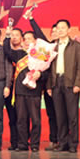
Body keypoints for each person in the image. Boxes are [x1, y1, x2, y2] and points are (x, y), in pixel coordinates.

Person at [47, 19, 80, 153]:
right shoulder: (53, 46)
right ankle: (62, 143)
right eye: (58, 28)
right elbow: (48, 67)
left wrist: (78, 83)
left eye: (63, 27)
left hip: (70, 83)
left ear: (69, 30)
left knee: (72, 116)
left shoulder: (76, 46)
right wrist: (49, 86)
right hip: (56, 82)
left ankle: (73, 144)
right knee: (60, 115)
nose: (60, 30)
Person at [3, 25, 43, 151]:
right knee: (21, 120)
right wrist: (7, 35)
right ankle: (22, 144)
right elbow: (7, 50)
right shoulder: (19, 53)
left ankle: (35, 144)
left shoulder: (40, 54)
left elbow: (46, 72)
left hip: (34, 92)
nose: (26, 41)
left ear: (35, 41)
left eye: (29, 38)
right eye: (24, 39)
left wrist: (40, 74)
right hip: (20, 92)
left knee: (35, 120)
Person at [25, 12, 59, 151]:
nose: (56, 33)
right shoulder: (47, 47)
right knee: (51, 113)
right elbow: (39, 35)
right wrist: (31, 19)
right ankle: (54, 140)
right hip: (48, 85)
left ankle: (65, 140)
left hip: (63, 84)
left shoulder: (68, 46)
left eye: (58, 30)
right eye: (53, 31)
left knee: (63, 114)